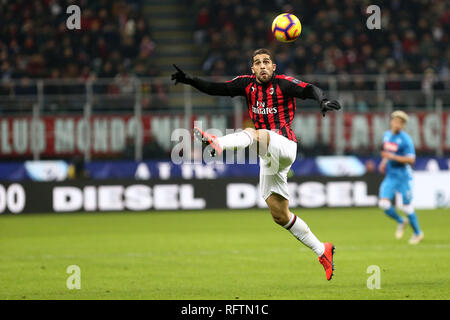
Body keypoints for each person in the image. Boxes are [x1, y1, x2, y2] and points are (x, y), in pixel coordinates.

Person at [171, 48, 341, 280]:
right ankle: (322, 250)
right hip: (267, 156)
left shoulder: (284, 84)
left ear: (273, 67)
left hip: (285, 145)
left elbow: (310, 89)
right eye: (258, 63)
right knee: (280, 215)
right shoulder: (246, 84)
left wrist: (322, 99)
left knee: (256, 132)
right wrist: (190, 80)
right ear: (252, 68)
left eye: (266, 62)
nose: (262, 66)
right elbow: (216, 88)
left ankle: (217, 142)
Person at [378, 110, 424, 244]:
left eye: (401, 122)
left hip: (404, 177)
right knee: (383, 204)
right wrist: (383, 162)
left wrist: (393, 157)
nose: (397, 124)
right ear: (391, 122)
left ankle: (418, 233)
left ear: (403, 125)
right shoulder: (386, 136)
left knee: (407, 207)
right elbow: (387, 152)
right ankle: (401, 221)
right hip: (391, 176)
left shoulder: (406, 140)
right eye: (396, 121)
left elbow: (411, 160)